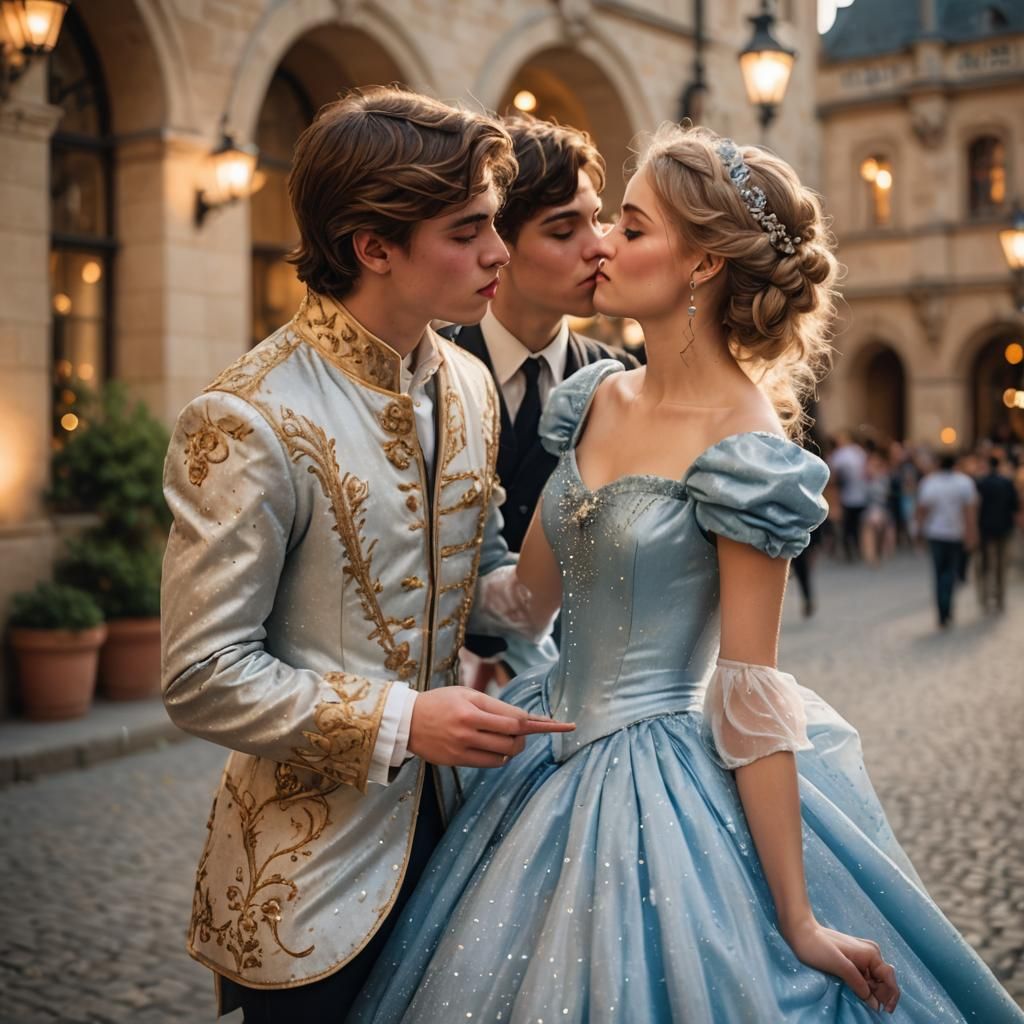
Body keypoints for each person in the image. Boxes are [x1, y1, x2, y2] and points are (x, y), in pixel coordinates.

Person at [349, 125, 1023, 1023]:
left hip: (661, 786)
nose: (603, 247)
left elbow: (749, 690)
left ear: (702, 261)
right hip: (541, 757)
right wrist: (391, 547)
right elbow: (522, 599)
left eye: (630, 228)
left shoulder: (749, 449)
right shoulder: (593, 397)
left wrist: (798, 917)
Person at [159, 87, 570, 1022]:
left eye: (493, 225)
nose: (498, 252)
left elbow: (484, 594)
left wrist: (598, 529)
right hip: (303, 888)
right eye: (467, 231)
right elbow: (201, 675)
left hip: (464, 840)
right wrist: (403, 721)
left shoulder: (469, 384)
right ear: (372, 245)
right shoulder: (246, 419)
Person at [445, 114, 638, 688]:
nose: (599, 245)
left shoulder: (621, 380)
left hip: (583, 691)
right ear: (498, 244)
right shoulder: (427, 372)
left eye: (597, 218)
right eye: (563, 231)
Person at [916, 453, 979, 629]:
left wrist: (919, 531)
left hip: (936, 533)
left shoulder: (930, 482)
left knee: (938, 573)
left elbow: (922, 510)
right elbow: (969, 512)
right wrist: (971, 533)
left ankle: (942, 612)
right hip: (955, 533)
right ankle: (948, 608)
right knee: (951, 572)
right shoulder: (964, 482)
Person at [974, 453, 1020, 611]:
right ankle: (1000, 597)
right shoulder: (1007, 483)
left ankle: (985, 597)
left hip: (985, 529)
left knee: (985, 564)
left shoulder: (981, 483)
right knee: (1001, 563)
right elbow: (1015, 507)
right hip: (1004, 528)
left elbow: (976, 506)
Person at [830, 429, 868, 561]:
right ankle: (855, 549)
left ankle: (850, 550)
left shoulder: (840, 455)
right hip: (858, 495)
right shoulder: (858, 452)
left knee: (847, 526)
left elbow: (833, 476)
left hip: (848, 496)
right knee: (854, 525)